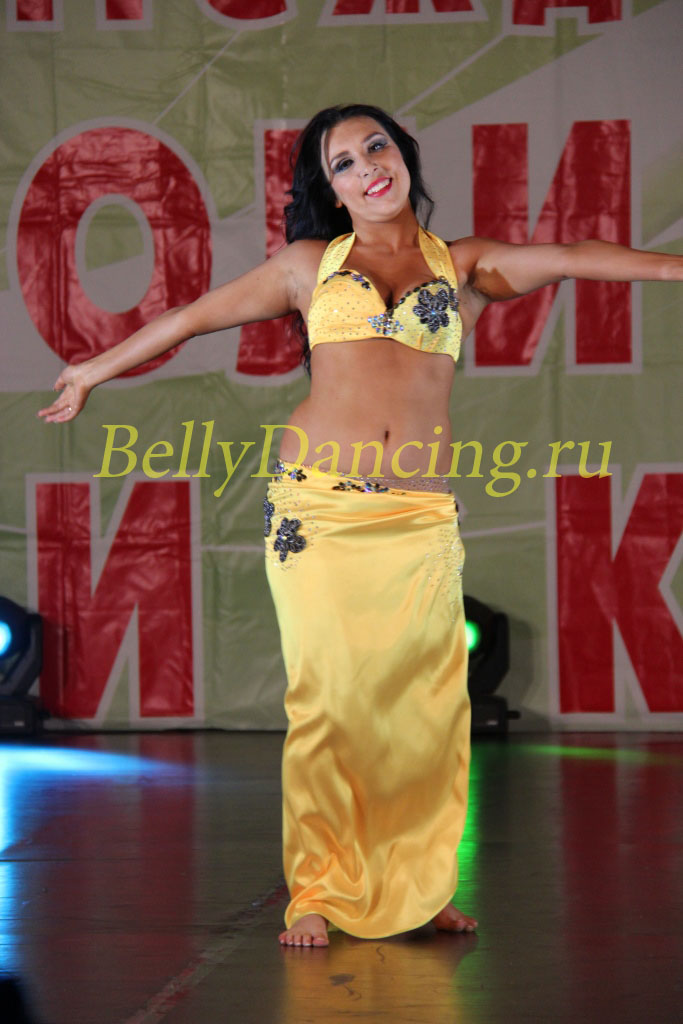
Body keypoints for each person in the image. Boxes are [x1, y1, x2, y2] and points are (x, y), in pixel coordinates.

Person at [39, 104, 682, 949]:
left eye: (376, 147)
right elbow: (191, 316)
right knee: (328, 706)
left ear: (403, 156)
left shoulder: (463, 265)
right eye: (343, 162)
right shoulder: (310, 266)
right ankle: (316, 890)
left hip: (416, 517)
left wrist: (674, 268)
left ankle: (419, 887)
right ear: (332, 190)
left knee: (427, 710)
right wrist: (91, 370)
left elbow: (575, 256)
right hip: (318, 511)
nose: (367, 167)